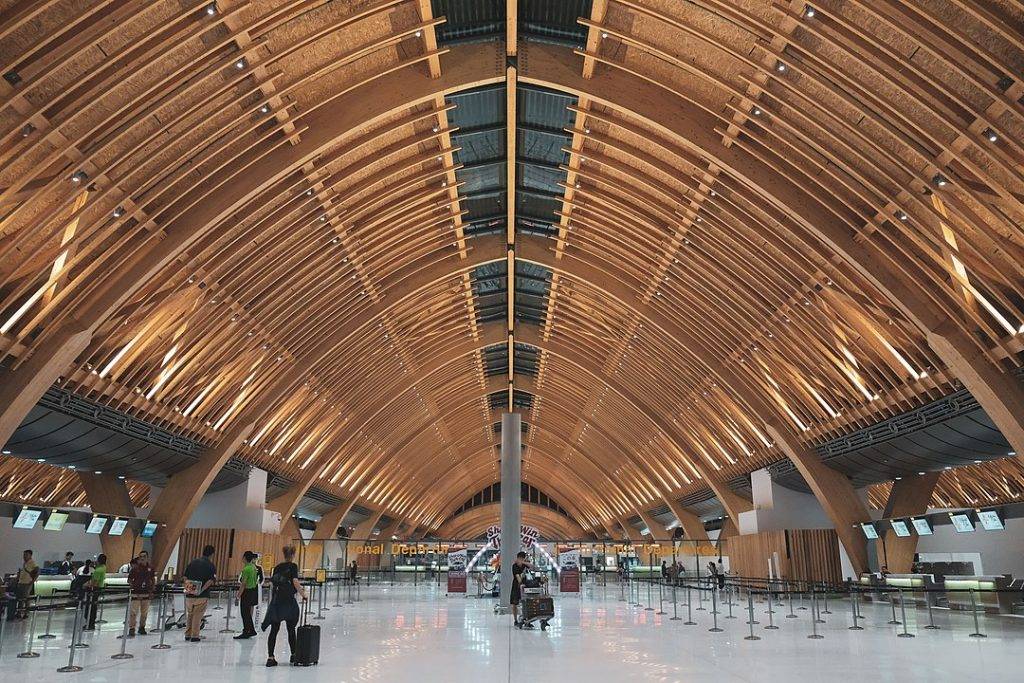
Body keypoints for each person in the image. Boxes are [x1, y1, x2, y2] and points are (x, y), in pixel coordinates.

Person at [261, 546, 307, 667]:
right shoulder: (293, 566)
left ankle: (270, 657)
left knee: (274, 630)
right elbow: (295, 582)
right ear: (292, 555)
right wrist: (303, 594)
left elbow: (272, 584)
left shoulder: (277, 567)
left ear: (284, 555)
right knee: (291, 630)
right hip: (289, 602)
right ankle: (294, 655)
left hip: (277, 602)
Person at [182, 545, 217, 642]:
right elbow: (210, 580)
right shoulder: (210, 565)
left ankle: (187, 634)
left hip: (190, 594)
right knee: (198, 615)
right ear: (212, 554)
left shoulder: (193, 562)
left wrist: (189, 588)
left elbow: (185, 577)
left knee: (190, 614)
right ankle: (195, 635)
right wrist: (201, 590)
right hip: (202, 595)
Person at [128, 551, 155, 636]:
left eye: (144, 556)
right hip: (136, 593)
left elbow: (152, 579)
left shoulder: (150, 568)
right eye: (140, 557)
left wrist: (151, 590)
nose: (142, 558)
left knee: (145, 612)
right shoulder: (135, 568)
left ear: (147, 557)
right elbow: (129, 580)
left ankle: (142, 627)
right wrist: (134, 588)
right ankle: (132, 628)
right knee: (133, 612)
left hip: (146, 593)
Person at [234, 551, 259, 639]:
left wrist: (238, 595)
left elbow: (243, 583)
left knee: (245, 613)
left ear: (244, 558)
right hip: (253, 591)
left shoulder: (246, 569)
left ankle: (247, 631)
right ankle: (251, 630)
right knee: (247, 613)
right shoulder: (253, 567)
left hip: (247, 592)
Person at [510, 551, 536, 629]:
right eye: (519, 558)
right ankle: (515, 620)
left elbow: (533, 567)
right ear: (517, 558)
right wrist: (520, 583)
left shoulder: (525, 565)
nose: (520, 560)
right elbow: (517, 576)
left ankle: (527, 620)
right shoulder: (514, 566)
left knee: (526, 603)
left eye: (522, 559)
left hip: (525, 586)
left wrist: (524, 563)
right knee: (515, 603)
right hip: (516, 586)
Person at [84, 554, 107, 630]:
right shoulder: (103, 568)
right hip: (99, 589)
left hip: (94, 590)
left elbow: (94, 582)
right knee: (94, 607)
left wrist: (86, 585)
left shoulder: (98, 570)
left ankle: (89, 624)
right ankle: (91, 623)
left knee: (90, 607)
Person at [15, 549, 39, 619]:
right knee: (20, 598)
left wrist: (32, 581)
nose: (24, 556)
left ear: (30, 555)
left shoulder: (33, 563)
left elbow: (37, 572)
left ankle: (26, 613)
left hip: (27, 583)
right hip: (21, 582)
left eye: (26, 555)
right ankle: (19, 612)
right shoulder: (25, 563)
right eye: (24, 555)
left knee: (26, 599)